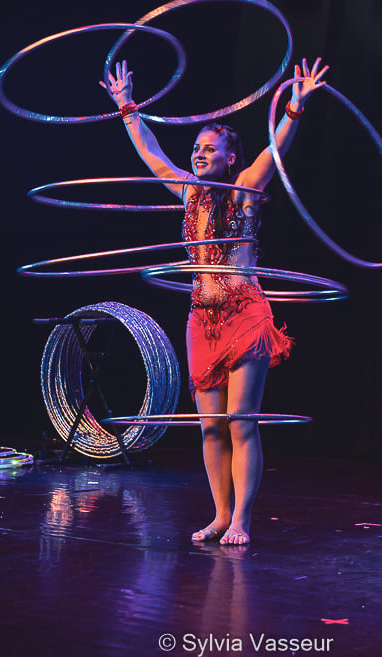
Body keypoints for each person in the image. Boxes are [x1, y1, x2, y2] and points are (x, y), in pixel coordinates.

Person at [101, 57, 329, 546]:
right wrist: (126, 106)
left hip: (245, 313)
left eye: (210, 148)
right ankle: (221, 515)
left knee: (240, 422)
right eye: (197, 147)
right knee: (209, 427)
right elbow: (151, 155)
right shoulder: (187, 192)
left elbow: (275, 152)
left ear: (229, 158)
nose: (199, 153)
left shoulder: (244, 188)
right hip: (200, 318)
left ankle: (243, 519)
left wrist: (294, 106)